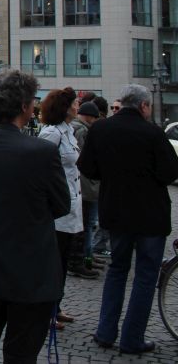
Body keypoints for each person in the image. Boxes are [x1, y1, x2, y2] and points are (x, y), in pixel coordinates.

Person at [0, 68, 70, 364]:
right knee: (21, 353)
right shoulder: (41, 152)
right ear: (24, 106)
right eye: (33, 101)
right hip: (30, 268)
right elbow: (61, 205)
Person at [78, 84, 178, 355]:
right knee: (145, 276)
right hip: (150, 217)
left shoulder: (100, 129)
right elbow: (170, 172)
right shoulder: (153, 133)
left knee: (117, 271)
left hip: (116, 211)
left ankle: (105, 331)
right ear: (144, 106)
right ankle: (132, 338)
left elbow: (86, 167)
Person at [36, 87, 83, 330]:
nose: (78, 106)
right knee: (54, 262)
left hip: (70, 205)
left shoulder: (69, 132)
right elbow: (38, 168)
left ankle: (56, 305)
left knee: (62, 261)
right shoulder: (51, 134)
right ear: (65, 107)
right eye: (76, 103)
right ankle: (46, 310)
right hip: (56, 209)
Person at [70, 101, 103, 278]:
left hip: (80, 183)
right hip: (86, 184)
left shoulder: (73, 128)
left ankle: (86, 256)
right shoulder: (82, 131)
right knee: (87, 224)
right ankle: (84, 258)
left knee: (85, 224)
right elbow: (86, 158)